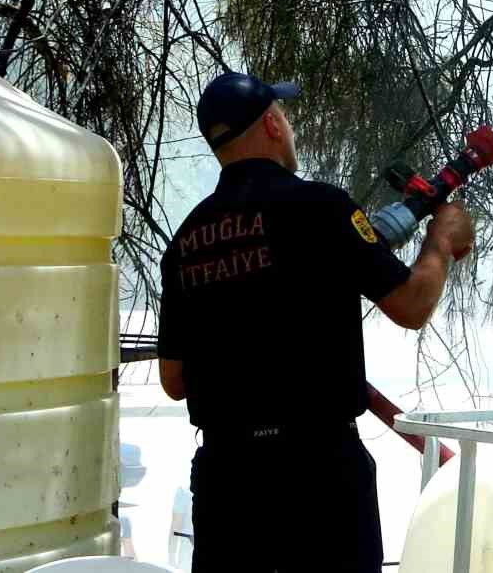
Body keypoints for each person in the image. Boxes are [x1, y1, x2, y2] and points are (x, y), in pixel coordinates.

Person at [155, 71, 474, 572]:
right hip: (318, 472)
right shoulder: (319, 207)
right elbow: (412, 306)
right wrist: (443, 241)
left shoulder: (185, 241)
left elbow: (174, 381)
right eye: (284, 116)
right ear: (273, 125)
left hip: (227, 479)